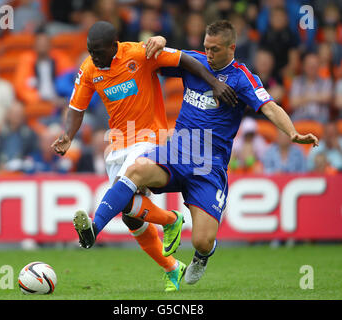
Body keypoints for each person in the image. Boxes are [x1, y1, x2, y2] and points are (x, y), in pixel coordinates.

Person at [65, 20, 318, 288]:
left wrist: (292, 133)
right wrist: (159, 39)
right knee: (134, 173)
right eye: (206, 48)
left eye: (215, 50)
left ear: (231, 47)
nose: (208, 54)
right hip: (177, 150)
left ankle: (201, 255)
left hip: (209, 165)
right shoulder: (194, 63)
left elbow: (269, 107)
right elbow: (146, 60)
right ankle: (95, 228)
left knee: (202, 240)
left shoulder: (242, 77)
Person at [51, 21, 237, 292]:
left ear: (114, 46)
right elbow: (76, 107)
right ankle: (172, 261)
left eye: (99, 51)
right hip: (117, 142)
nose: (94, 56)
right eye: (90, 51)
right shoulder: (89, 69)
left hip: (150, 138)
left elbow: (185, 59)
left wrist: (213, 82)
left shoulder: (139, 54)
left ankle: (93, 229)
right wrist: (68, 135)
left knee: (122, 189)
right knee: (130, 214)